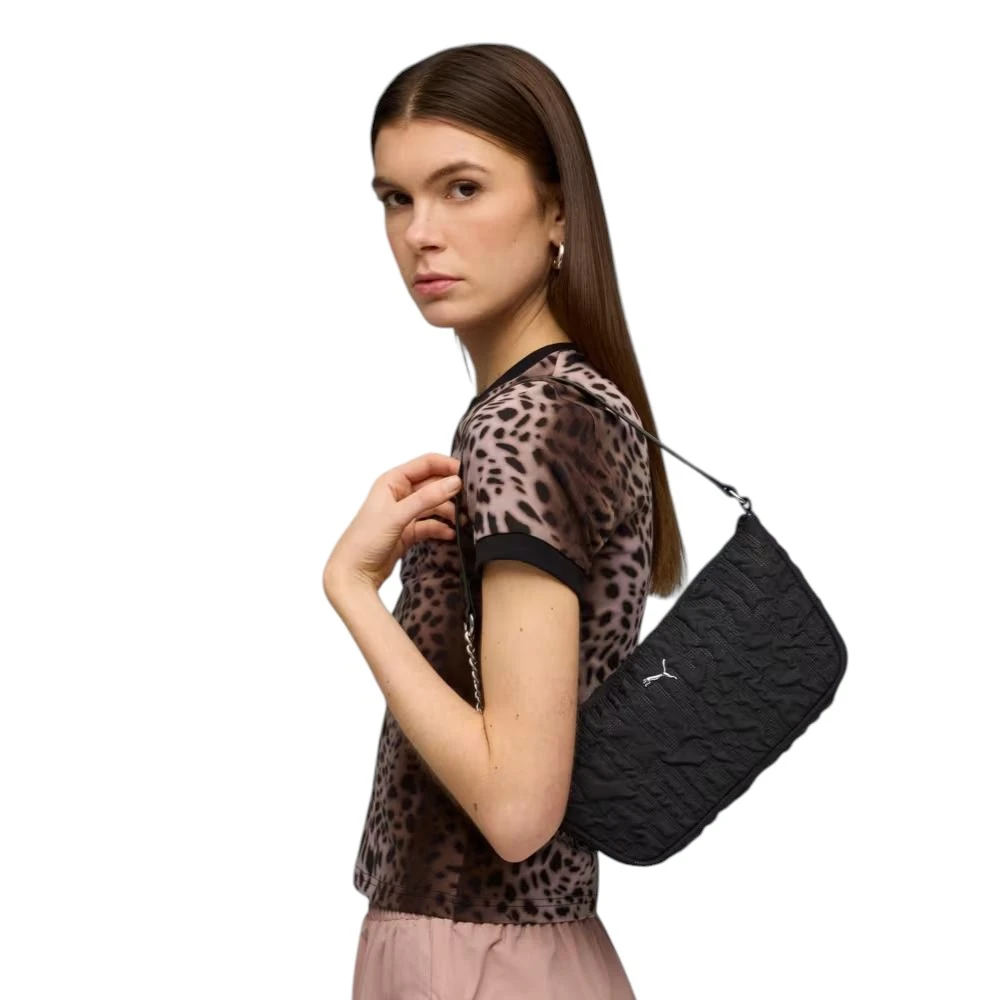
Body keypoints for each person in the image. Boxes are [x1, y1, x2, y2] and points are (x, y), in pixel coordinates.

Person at [322, 42, 686, 1000]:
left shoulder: (528, 423)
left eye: (463, 189)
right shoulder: (567, 405)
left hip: (475, 956)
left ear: (557, 208)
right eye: (395, 198)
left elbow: (518, 807)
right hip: (510, 952)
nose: (420, 234)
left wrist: (351, 590)